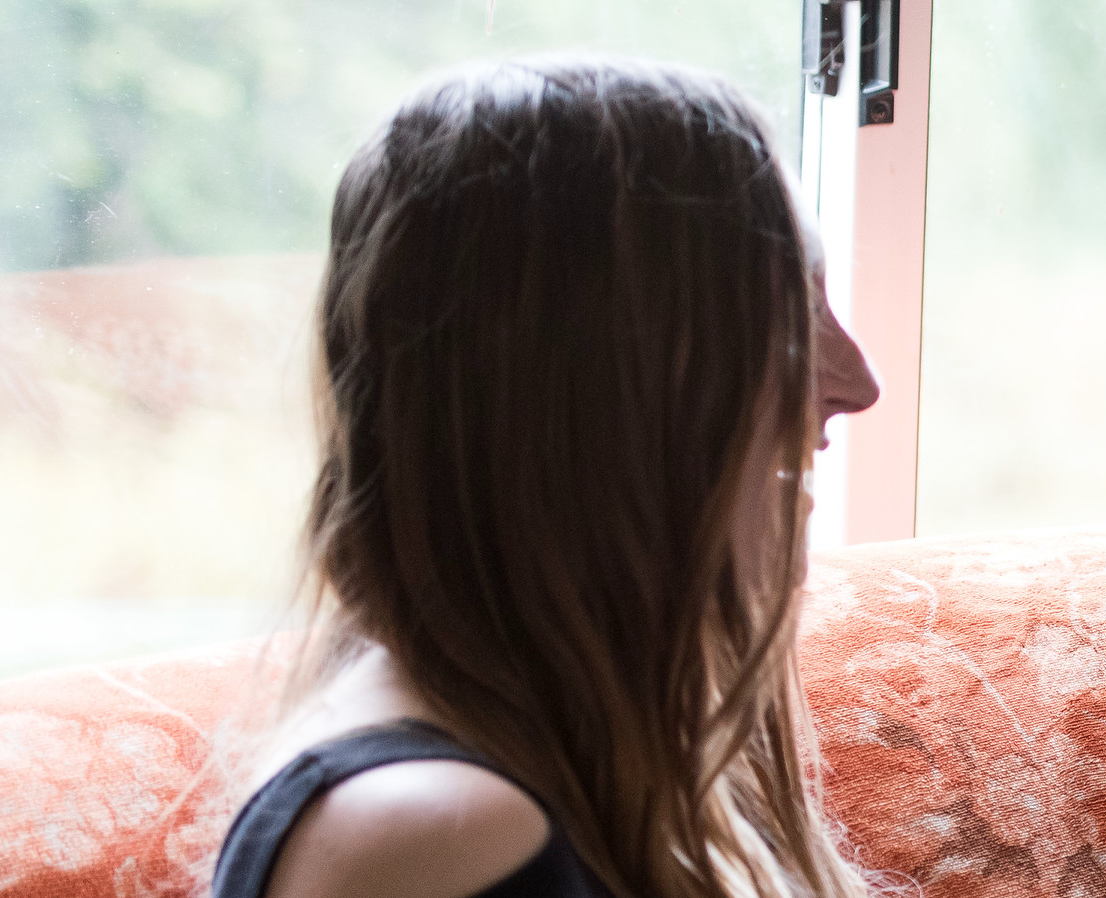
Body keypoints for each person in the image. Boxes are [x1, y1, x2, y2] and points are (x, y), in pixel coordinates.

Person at [209, 56, 880, 898]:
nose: (857, 383)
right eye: (790, 317)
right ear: (605, 396)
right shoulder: (431, 838)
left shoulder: (515, 760)